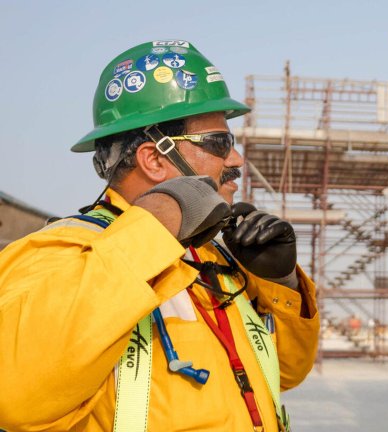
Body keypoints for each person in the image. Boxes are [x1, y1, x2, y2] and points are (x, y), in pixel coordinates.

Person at [0, 40, 319, 432]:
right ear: (154, 158)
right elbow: (15, 398)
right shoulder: (62, 253)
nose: (236, 160)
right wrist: (157, 223)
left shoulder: (213, 262)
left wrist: (279, 284)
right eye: (221, 143)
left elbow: (287, 373)